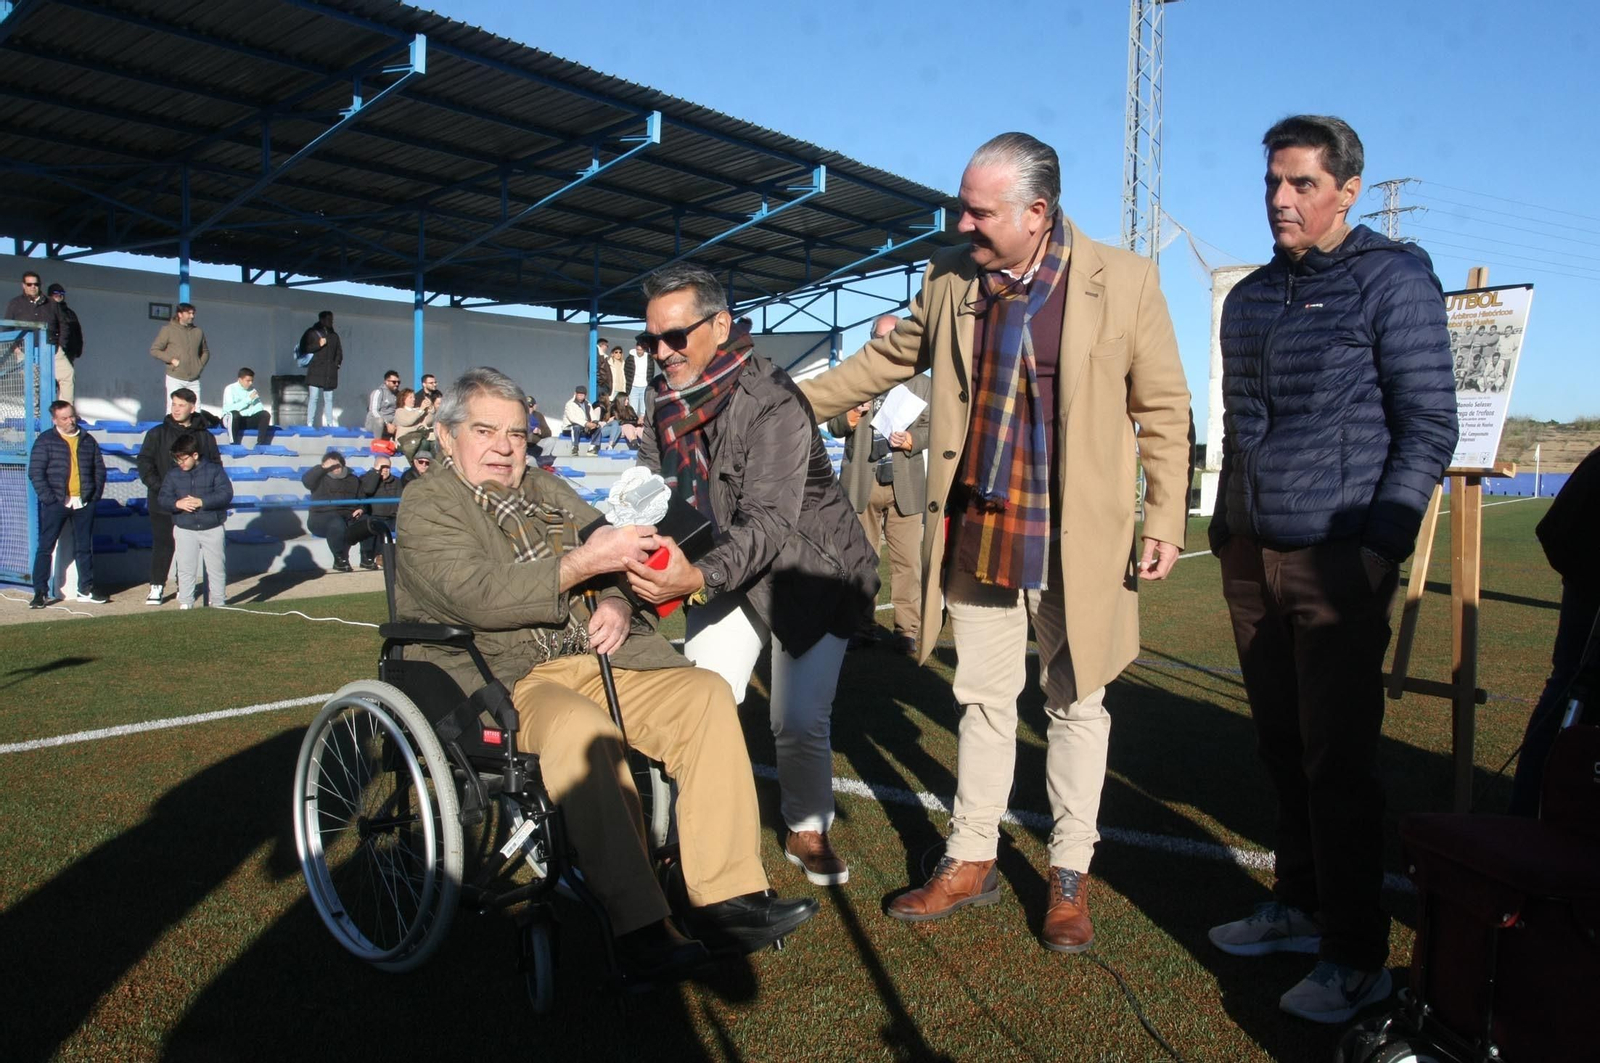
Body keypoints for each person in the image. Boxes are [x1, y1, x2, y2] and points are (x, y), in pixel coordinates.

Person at [798, 132, 1192, 951]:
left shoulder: (1125, 280)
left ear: (1037, 212)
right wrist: (780, 400)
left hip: (1079, 538)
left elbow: (1164, 408)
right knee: (980, 696)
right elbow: (884, 361)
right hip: (979, 524)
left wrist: (1163, 516)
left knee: (1076, 702)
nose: (963, 222)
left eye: (980, 210)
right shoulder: (948, 277)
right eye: (962, 206)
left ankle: (1068, 873)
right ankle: (971, 854)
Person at [396, 366, 816, 974]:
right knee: (581, 733)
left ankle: (724, 900)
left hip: (593, 657)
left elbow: (616, 550)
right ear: (446, 436)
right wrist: (579, 565)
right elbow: (473, 592)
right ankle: (640, 924)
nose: (504, 447)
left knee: (704, 693)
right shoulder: (428, 502)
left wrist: (618, 597)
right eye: (485, 431)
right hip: (503, 676)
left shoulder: (547, 489)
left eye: (516, 434)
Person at [1206, 115, 1459, 1024]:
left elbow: (1430, 422)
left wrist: (1376, 546)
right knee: (1281, 743)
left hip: (1337, 552)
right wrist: (1231, 527)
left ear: (1348, 190)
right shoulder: (1250, 297)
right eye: (1274, 181)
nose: (1281, 199)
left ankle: (1359, 955)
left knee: (1338, 758)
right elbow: (1241, 426)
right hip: (1249, 549)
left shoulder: (1391, 279)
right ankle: (1302, 905)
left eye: (1303, 184)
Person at [629, 264, 880, 887]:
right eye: (649, 341)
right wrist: (622, 529)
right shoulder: (662, 395)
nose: (662, 353)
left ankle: (807, 824)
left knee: (795, 719)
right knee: (702, 700)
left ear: (720, 326)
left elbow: (769, 522)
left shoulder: (772, 398)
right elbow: (650, 482)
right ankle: (691, 830)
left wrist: (692, 579)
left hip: (810, 572)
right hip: (725, 567)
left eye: (675, 337)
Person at [827, 313, 931, 655]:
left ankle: (907, 630)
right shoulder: (856, 377)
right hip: (862, 482)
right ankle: (862, 626)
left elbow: (939, 426)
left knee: (907, 562)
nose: (883, 342)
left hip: (905, 484)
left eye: (890, 336)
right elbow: (835, 426)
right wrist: (853, 413)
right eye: (877, 337)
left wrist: (914, 439)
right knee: (860, 560)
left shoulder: (923, 383)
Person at [1509, 445, 1600, 815]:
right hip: (1589, 600)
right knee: (1569, 688)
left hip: (1584, 584)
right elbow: (1555, 531)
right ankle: (1530, 812)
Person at [137, 387, 222, 605]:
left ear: (192, 407)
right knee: (163, 544)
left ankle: (184, 587)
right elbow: (145, 464)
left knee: (188, 549)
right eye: (173, 404)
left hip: (195, 505)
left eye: (181, 405)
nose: (176, 409)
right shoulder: (156, 433)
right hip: (162, 502)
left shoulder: (205, 437)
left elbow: (214, 466)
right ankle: (156, 586)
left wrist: (200, 497)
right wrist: (164, 490)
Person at [27, 400, 107, 608]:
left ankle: (86, 589)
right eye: (65, 418)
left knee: (84, 547)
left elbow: (99, 470)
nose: (70, 421)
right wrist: (50, 499)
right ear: (55, 420)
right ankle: (40, 593)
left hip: (84, 502)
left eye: (72, 416)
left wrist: (94, 496)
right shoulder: (45, 441)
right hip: (56, 503)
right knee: (46, 547)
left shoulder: (87, 440)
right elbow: (36, 472)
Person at [157, 433, 233, 609]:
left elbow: (226, 494)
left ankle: (219, 603)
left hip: (212, 526)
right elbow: (163, 498)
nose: (180, 463)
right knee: (185, 568)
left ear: (195, 455)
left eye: (183, 459)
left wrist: (202, 502)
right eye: (177, 459)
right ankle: (186, 603)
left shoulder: (215, 470)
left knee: (216, 568)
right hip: (184, 527)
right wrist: (178, 503)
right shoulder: (173, 474)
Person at [301, 450, 374, 573]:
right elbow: (306, 481)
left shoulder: (353, 480)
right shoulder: (318, 479)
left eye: (336, 465)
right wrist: (322, 468)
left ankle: (367, 557)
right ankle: (340, 559)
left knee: (368, 522)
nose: (333, 468)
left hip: (348, 516)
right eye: (329, 466)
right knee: (336, 522)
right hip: (320, 517)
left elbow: (362, 498)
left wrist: (361, 509)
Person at [149, 303, 210, 406]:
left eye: (193, 313)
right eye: (189, 313)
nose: (192, 316)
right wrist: (172, 360)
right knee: (173, 408)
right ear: (180, 314)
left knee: (195, 408)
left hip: (194, 379)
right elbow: (154, 350)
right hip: (175, 377)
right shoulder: (168, 330)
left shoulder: (198, 332)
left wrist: (199, 365)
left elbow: (205, 351)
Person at [358, 456, 404, 568]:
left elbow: (400, 500)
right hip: (374, 516)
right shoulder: (366, 479)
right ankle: (369, 557)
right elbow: (368, 490)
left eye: (388, 467)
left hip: (392, 516)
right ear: (376, 467)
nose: (385, 469)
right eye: (382, 467)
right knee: (373, 526)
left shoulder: (396, 481)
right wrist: (376, 474)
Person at [301, 310, 342, 427]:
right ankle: (309, 423)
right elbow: (304, 348)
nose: (331, 322)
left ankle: (329, 423)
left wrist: (336, 364)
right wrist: (318, 344)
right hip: (315, 370)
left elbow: (339, 352)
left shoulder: (334, 336)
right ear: (322, 320)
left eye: (332, 320)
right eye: (329, 319)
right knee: (313, 397)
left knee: (329, 398)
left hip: (330, 372)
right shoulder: (312, 332)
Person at [46, 283, 82, 404]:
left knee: (67, 383)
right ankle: (50, 413)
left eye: (62, 294)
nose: (59, 296)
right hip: (51, 353)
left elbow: (77, 332)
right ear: (50, 295)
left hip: (68, 352)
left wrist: (78, 349)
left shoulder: (70, 313)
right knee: (49, 384)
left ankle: (64, 411)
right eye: (56, 294)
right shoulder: (46, 311)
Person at [221, 367, 273, 446]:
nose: (250, 383)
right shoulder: (230, 389)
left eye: (252, 381)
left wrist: (243, 413)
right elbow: (229, 409)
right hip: (230, 420)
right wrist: (248, 400)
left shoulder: (252, 390)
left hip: (244, 419)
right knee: (234, 414)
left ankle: (260, 443)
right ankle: (233, 443)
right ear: (240, 379)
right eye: (248, 381)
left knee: (265, 414)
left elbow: (259, 408)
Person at [392, 387, 435, 460]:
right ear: (403, 399)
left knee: (434, 443)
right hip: (406, 441)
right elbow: (408, 421)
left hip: (420, 437)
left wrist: (430, 410)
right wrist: (421, 410)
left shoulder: (417, 411)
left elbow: (428, 422)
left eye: (414, 397)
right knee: (424, 443)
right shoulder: (399, 411)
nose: (413, 399)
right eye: (410, 397)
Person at [563, 385, 601, 454]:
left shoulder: (588, 403)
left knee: (598, 427)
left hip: (584, 426)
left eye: (582, 395)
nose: (580, 396)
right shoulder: (570, 404)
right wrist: (586, 424)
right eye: (579, 395)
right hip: (570, 427)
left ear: (585, 395)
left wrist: (594, 423)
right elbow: (572, 418)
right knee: (576, 427)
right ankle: (575, 447)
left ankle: (592, 447)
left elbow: (592, 415)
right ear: (575, 394)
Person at [365, 369, 401, 439]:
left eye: (398, 382)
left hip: (392, 423)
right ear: (386, 382)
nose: (396, 384)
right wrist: (387, 423)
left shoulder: (398, 394)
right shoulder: (378, 392)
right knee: (379, 421)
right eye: (394, 382)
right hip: (376, 422)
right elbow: (374, 411)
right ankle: (378, 443)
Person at [628, 341, 650, 411]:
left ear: (644, 349)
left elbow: (650, 372)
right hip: (633, 387)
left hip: (645, 386)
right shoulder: (630, 358)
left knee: (644, 410)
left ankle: (642, 421)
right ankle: (633, 421)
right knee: (633, 409)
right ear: (635, 348)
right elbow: (627, 372)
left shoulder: (648, 358)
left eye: (641, 350)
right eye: (638, 350)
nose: (639, 352)